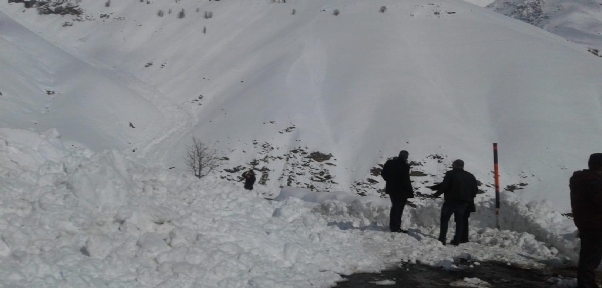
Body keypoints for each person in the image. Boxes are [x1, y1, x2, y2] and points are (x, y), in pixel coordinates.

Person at [570, 153, 602, 288]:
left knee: (588, 258)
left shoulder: (581, 179)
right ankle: (586, 285)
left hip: (586, 223)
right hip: (596, 225)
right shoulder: (593, 183)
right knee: (590, 260)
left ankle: (587, 283)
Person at [428, 159, 477, 246]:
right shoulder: (470, 176)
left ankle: (442, 239)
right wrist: (468, 198)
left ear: (455, 165)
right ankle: (457, 240)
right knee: (460, 221)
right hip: (463, 203)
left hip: (450, 201)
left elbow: (444, 185)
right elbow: (475, 190)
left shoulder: (450, 174)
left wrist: (435, 194)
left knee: (444, 220)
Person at [381, 150, 414, 233]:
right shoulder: (404, 166)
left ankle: (393, 226)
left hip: (391, 189)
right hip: (402, 190)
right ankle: (396, 227)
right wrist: (409, 192)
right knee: (398, 209)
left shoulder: (390, 162)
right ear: (405, 157)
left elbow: (383, 173)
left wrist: (390, 181)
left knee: (394, 207)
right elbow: (406, 180)